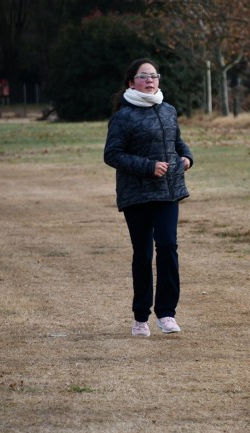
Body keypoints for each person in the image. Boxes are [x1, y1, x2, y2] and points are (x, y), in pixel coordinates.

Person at [104, 58, 194, 337]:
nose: (150, 80)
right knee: (143, 253)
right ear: (132, 82)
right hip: (137, 194)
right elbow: (112, 154)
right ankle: (140, 317)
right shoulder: (123, 117)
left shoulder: (168, 110)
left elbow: (177, 143)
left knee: (167, 246)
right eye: (144, 76)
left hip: (168, 191)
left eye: (154, 75)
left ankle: (166, 313)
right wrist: (148, 166)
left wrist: (188, 158)